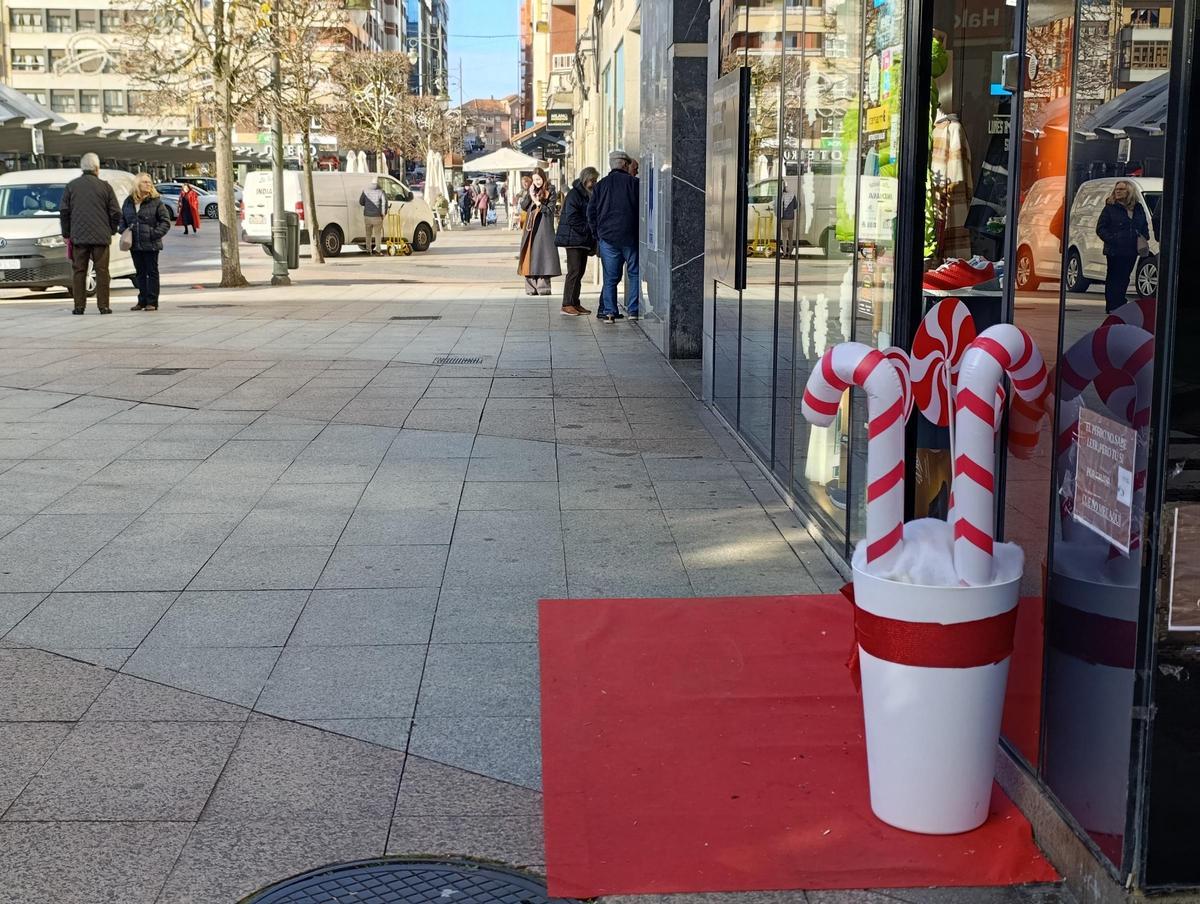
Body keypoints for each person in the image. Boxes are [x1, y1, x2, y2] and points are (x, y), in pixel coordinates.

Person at [59, 152, 120, 315]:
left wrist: (66, 233)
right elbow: (115, 212)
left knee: (79, 270)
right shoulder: (105, 187)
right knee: (102, 271)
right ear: (97, 168)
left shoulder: (71, 186)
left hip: (78, 237)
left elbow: (64, 211)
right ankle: (103, 306)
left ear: (82, 168)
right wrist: (111, 230)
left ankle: (79, 306)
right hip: (101, 237)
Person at [587, 149, 640, 324]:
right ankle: (633, 310)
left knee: (610, 277)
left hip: (608, 238)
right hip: (630, 236)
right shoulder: (634, 183)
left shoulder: (600, 185)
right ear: (625, 165)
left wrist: (597, 234)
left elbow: (591, 212)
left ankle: (609, 312)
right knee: (633, 273)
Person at [119, 173, 172, 311]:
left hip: (151, 244)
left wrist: (154, 234)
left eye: (149, 182)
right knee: (140, 273)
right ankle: (141, 300)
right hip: (134, 243)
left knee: (152, 272)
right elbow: (122, 219)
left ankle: (152, 301)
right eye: (144, 182)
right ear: (137, 184)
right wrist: (124, 231)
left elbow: (165, 222)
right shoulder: (128, 201)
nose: (148, 184)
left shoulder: (156, 201)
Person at [1096, 179, 1149, 312]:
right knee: (1114, 277)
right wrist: (1113, 239)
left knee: (1125, 277)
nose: (1118, 192)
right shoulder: (1110, 208)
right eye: (1116, 189)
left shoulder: (1138, 207)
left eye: (1121, 189)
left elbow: (1144, 224)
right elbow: (1101, 228)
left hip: (1131, 249)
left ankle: (1120, 302)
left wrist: (1144, 236)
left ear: (1129, 191)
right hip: (1115, 249)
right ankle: (1113, 305)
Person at [555, 167, 599, 316]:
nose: (594, 183)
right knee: (574, 272)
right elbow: (572, 217)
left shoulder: (587, 194)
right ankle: (567, 304)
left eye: (595, 180)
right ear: (585, 179)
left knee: (579, 272)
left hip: (582, 239)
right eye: (592, 180)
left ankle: (575, 302)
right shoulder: (575, 194)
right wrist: (588, 228)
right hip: (574, 239)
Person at [518, 167, 561, 295]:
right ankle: (531, 288)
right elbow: (524, 206)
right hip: (530, 228)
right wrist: (529, 194)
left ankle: (543, 287)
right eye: (535, 179)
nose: (537, 182)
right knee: (529, 255)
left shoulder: (550, 190)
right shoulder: (531, 189)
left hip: (543, 227)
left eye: (539, 179)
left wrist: (537, 201)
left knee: (543, 255)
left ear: (543, 178)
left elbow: (549, 210)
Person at [359, 177, 389, 254]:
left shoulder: (365, 191)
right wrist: (383, 214)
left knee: (368, 234)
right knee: (377, 234)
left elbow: (361, 202)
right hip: (377, 217)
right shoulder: (381, 192)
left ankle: (368, 250)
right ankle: (378, 250)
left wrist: (367, 205)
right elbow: (384, 203)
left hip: (367, 216)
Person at [779, 183, 798, 257]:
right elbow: (795, 206)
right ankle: (790, 253)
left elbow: (779, 207)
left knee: (784, 237)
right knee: (790, 237)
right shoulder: (793, 195)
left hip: (784, 219)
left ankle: (784, 253)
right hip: (791, 219)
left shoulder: (782, 196)